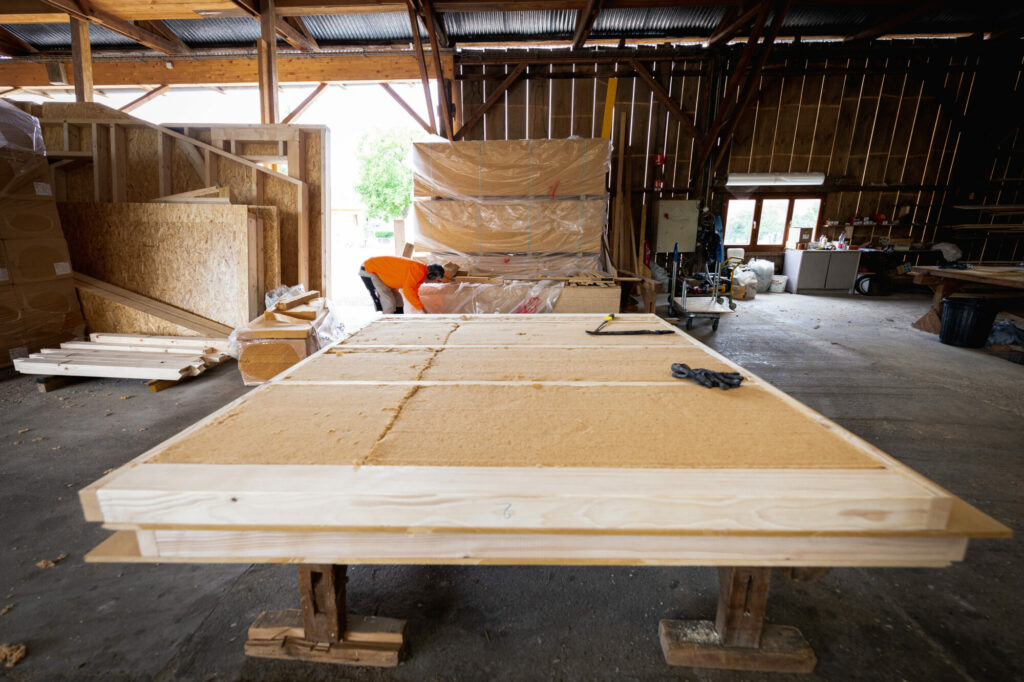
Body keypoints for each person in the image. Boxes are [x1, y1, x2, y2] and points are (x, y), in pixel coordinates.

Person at [359, 256, 455, 314]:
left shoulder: (420, 273)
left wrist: (422, 310)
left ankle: (398, 323)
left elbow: (413, 292)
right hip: (369, 270)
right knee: (388, 300)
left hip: (377, 271)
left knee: (398, 300)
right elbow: (409, 292)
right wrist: (422, 310)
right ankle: (387, 326)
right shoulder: (417, 272)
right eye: (436, 280)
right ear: (431, 275)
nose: (434, 282)